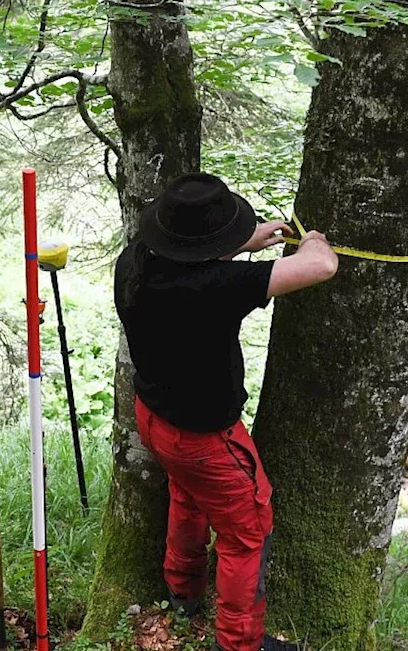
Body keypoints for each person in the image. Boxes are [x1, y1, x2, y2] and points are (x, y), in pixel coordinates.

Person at [114, 173, 339, 651]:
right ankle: (240, 643)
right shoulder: (217, 287)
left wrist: (243, 241)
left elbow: (194, 265)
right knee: (247, 533)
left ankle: (182, 591)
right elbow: (320, 266)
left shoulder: (135, 261)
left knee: (188, 496)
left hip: (154, 418)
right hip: (205, 439)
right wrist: (316, 240)